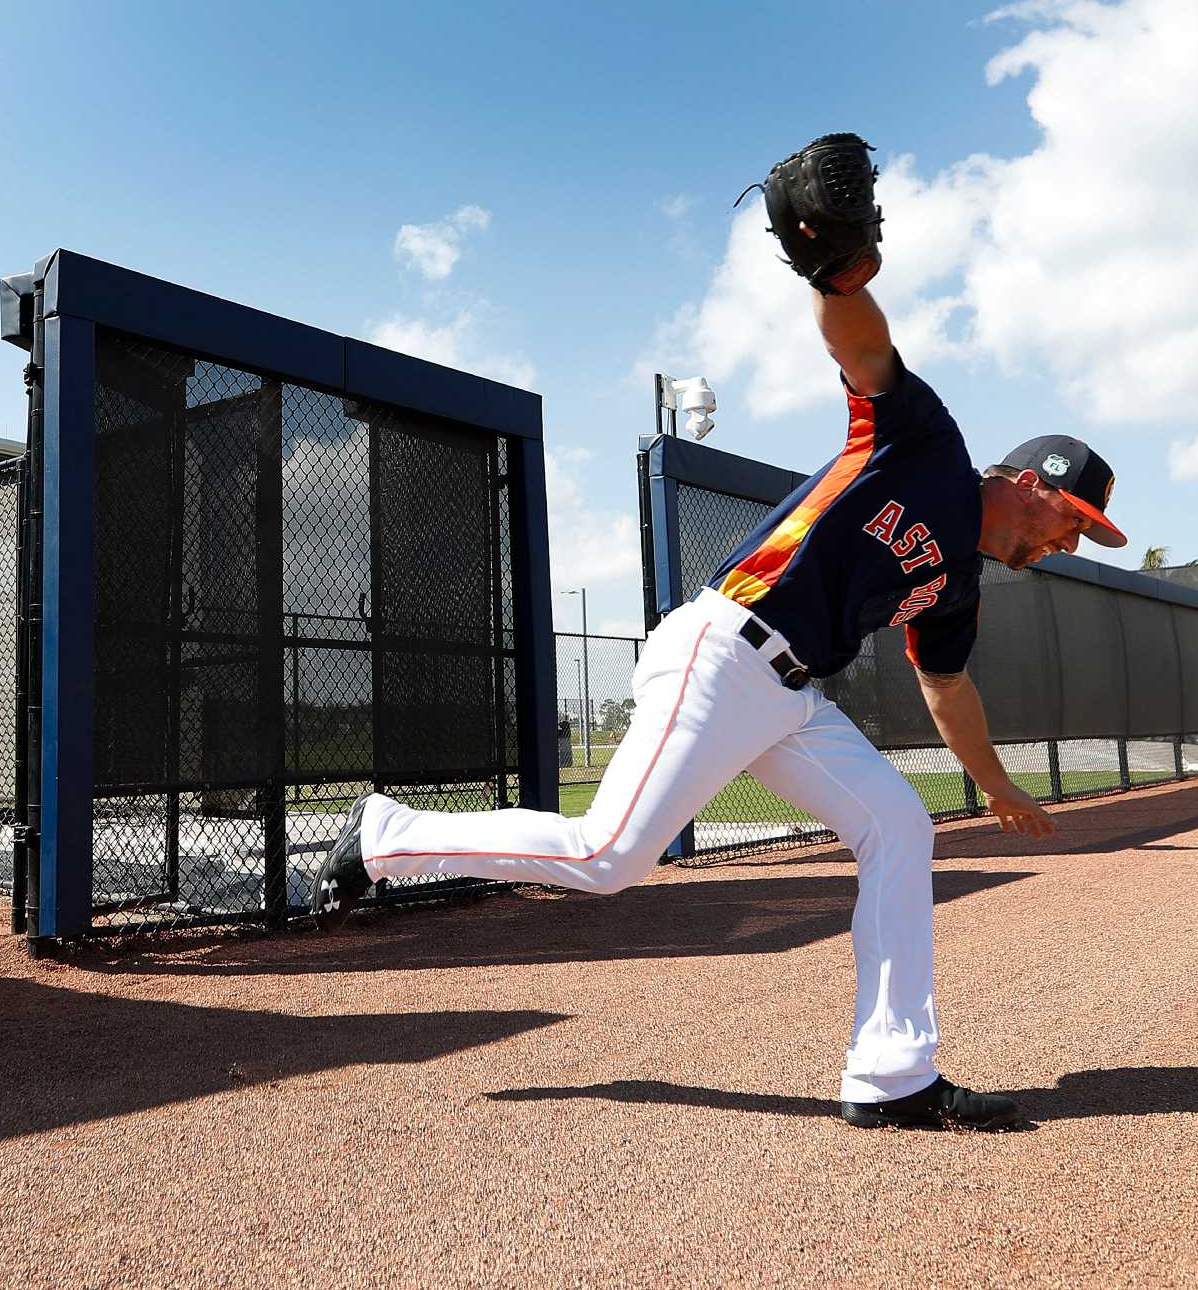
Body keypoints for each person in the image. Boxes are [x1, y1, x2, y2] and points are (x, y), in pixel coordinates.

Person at [309, 135, 1128, 1131]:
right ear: (1032, 484)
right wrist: (832, 273)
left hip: (788, 696)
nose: (1067, 543)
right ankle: (386, 835)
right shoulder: (925, 447)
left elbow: (946, 690)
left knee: (898, 823)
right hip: (722, 646)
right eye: (1071, 522)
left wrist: (993, 785)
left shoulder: (959, 585)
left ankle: (891, 1076)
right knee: (606, 854)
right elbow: (860, 348)